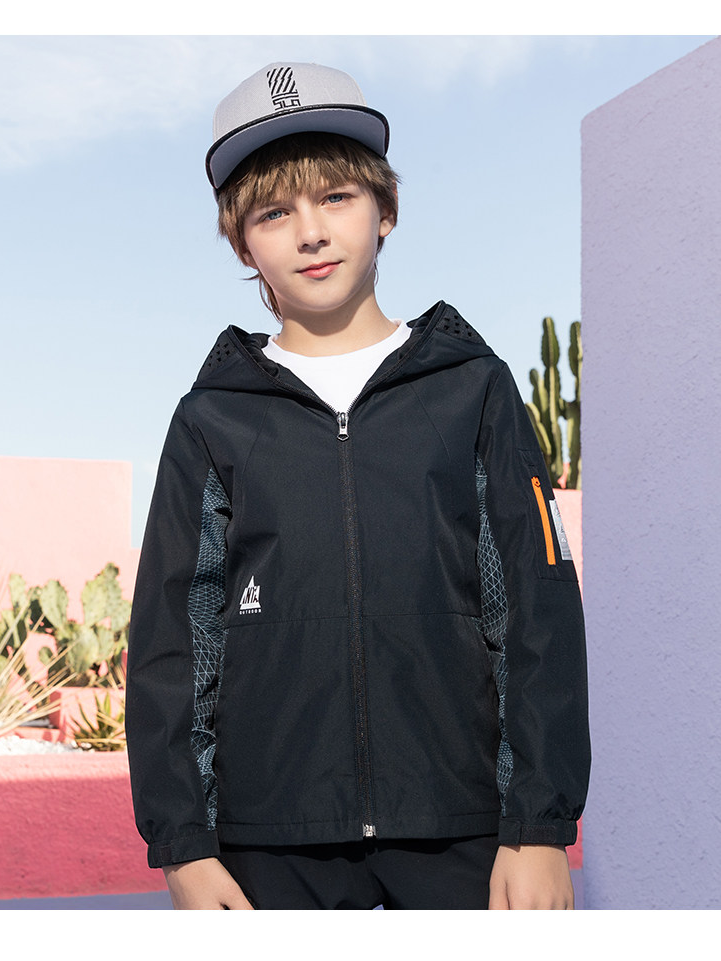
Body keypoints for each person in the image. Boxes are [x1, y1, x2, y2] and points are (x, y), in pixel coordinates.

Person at [125, 61, 590, 910]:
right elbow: (174, 638)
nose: (311, 233)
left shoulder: (472, 390)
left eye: (336, 197)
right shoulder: (211, 418)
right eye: (274, 212)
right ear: (242, 244)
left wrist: (538, 825)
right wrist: (183, 846)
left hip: (464, 830)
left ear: (385, 210)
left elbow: (535, 608)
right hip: (269, 840)